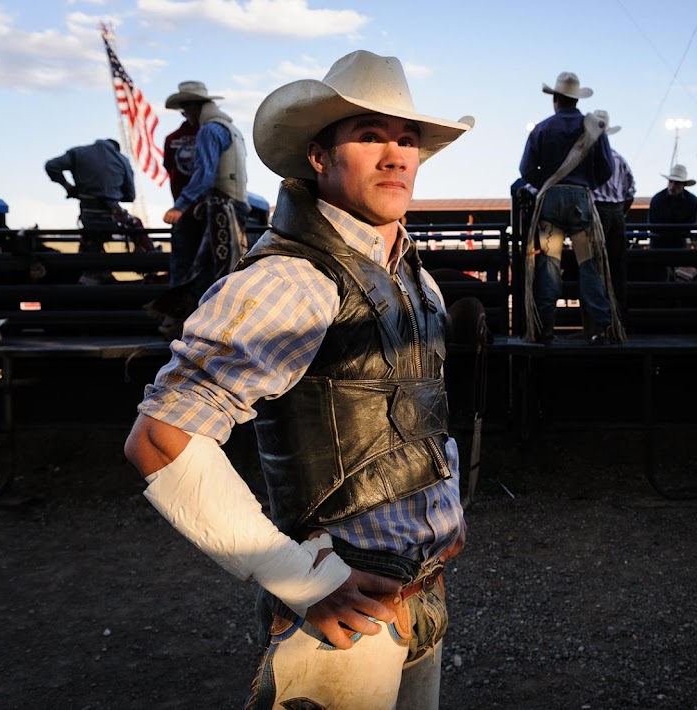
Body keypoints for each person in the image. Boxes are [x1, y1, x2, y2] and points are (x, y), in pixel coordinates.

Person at [124, 49, 474, 709]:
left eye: (407, 139)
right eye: (369, 135)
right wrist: (301, 579)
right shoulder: (292, 278)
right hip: (344, 615)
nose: (395, 155)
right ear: (319, 156)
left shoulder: (413, 275)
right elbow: (160, 437)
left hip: (417, 595)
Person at [519, 72, 624, 345]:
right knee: (589, 264)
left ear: (555, 99)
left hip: (550, 200)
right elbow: (606, 168)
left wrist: (546, 184)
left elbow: (526, 169)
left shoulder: (542, 128)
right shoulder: (593, 127)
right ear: (576, 99)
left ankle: (544, 329)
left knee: (549, 264)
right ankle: (599, 328)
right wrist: (586, 183)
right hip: (581, 199)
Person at [150, 80, 249, 338]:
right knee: (222, 266)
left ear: (193, 107)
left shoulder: (207, 131)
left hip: (218, 207)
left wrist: (180, 205)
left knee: (189, 263)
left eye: (186, 109)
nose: (185, 115)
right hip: (234, 205)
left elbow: (205, 174)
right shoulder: (231, 130)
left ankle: (181, 320)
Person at [44, 138, 145, 284]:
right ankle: (150, 257)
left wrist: (69, 187)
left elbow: (51, 166)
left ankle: (92, 272)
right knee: (136, 225)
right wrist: (112, 194)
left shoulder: (78, 153)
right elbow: (130, 196)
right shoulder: (122, 159)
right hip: (111, 217)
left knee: (91, 243)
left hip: (88, 217)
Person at [591, 115, 635, 320]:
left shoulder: (586, 157)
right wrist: (621, 212)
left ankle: (599, 319)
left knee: (594, 266)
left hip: (596, 211)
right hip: (617, 211)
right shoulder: (619, 158)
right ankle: (619, 317)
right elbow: (630, 191)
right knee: (617, 267)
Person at [648, 164, 697, 249]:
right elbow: (653, 224)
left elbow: (691, 223)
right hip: (660, 243)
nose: (672, 186)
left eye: (677, 183)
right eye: (671, 182)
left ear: (683, 185)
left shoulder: (692, 200)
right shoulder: (657, 199)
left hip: (676, 243)